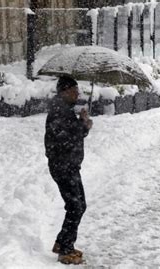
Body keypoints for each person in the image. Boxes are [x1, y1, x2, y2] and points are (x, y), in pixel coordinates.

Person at [44, 76, 93, 265]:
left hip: (69, 165)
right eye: (74, 90)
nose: (77, 94)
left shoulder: (64, 110)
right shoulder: (58, 112)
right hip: (62, 166)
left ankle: (61, 242)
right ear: (64, 91)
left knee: (79, 205)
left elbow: (73, 133)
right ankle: (65, 250)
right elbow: (65, 139)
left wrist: (83, 124)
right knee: (75, 206)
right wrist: (83, 125)